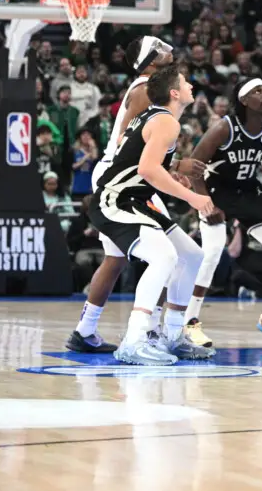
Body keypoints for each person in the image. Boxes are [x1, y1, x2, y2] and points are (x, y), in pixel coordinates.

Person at [66, 37, 205, 354]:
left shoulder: (151, 89)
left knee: (117, 259)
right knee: (165, 253)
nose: (170, 48)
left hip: (124, 175)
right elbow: (130, 145)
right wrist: (177, 177)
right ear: (152, 60)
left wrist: (172, 164)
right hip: (123, 181)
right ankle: (150, 334)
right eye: (162, 46)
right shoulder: (146, 91)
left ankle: (86, 329)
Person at [88, 66, 216, 366]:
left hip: (135, 198)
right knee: (164, 257)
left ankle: (172, 336)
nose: (191, 86)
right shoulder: (166, 122)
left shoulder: (156, 118)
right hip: (116, 200)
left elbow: (139, 162)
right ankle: (134, 340)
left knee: (193, 255)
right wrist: (193, 197)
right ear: (174, 93)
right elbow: (147, 169)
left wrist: (174, 174)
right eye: (185, 83)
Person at [181, 79, 262, 347]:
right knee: (212, 253)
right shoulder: (223, 128)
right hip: (216, 190)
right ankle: (190, 322)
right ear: (243, 100)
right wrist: (206, 203)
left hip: (247, 191)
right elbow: (194, 165)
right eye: (258, 91)